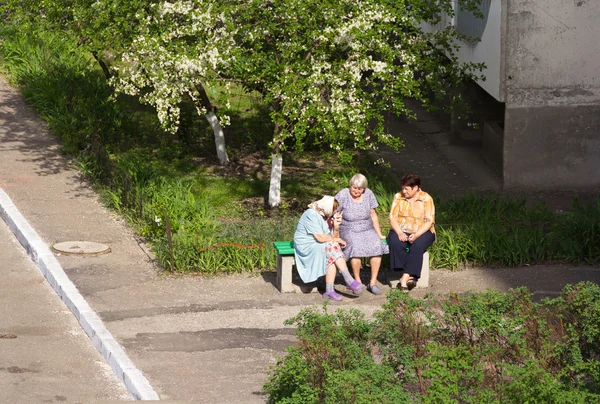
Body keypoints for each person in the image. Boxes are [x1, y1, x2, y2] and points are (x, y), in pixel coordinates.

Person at [294, 196, 364, 301]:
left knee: (331, 251)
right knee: (331, 247)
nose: (336, 211)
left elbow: (333, 237)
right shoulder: (311, 214)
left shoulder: (325, 216)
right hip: (306, 244)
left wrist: (336, 226)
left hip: (321, 243)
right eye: (334, 209)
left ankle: (330, 290)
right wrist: (338, 240)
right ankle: (348, 280)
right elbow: (320, 237)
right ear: (327, 207)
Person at [335, 174, 389, 295]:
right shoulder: (343, 194)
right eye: (354, 188)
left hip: (366, 227)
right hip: (348, 228)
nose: (356, 191)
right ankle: (357, 280)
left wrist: (379, 234)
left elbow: (373, 214)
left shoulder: (368, 194)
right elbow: (335, 212)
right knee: (355, 245)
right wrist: (336, 233)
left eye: (360, 189)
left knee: (376, 245)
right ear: (350, 186)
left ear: (364, 188)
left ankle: (373, 282)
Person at [387, 174, 435, 292]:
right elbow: (393, 218)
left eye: (406, 189)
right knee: (394, 241)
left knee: (417, 245)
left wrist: (417, 234)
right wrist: (399, 232)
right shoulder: (398, 197)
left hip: (422, 230)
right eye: (403, 188)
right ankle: (411, 275)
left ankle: (404, 279)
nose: (404, 191)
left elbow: (429, 221)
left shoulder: (426, 198)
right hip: (402, 229)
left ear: (415, 188)